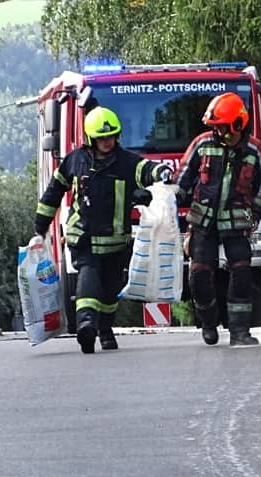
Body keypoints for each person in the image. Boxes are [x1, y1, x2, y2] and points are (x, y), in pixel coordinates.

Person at [34, 106, 171, 353]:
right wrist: (40, 226)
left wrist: (160, 171)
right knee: (88, 278)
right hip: (84, 237)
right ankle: (86, 326)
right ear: (90, 138)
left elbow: (146, 170)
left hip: (116, 241)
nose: (106, 142)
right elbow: (54, 191)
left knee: (110, 291)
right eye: (101, 138)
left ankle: (105, 330)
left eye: (110, 137)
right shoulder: (75, 161)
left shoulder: (127, 162)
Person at [174, 92, 261, 346]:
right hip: (203, 224)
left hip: (238, 224)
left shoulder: (255, 150)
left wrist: (255, 212)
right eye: (215, 127)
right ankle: (209, 322)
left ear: (238, 124)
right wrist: (169, 199)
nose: (218, 132)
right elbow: (182, 180)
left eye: (222, 127)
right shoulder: (202, 144)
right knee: (198, 277)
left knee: (242, 275)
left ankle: (240, 332)